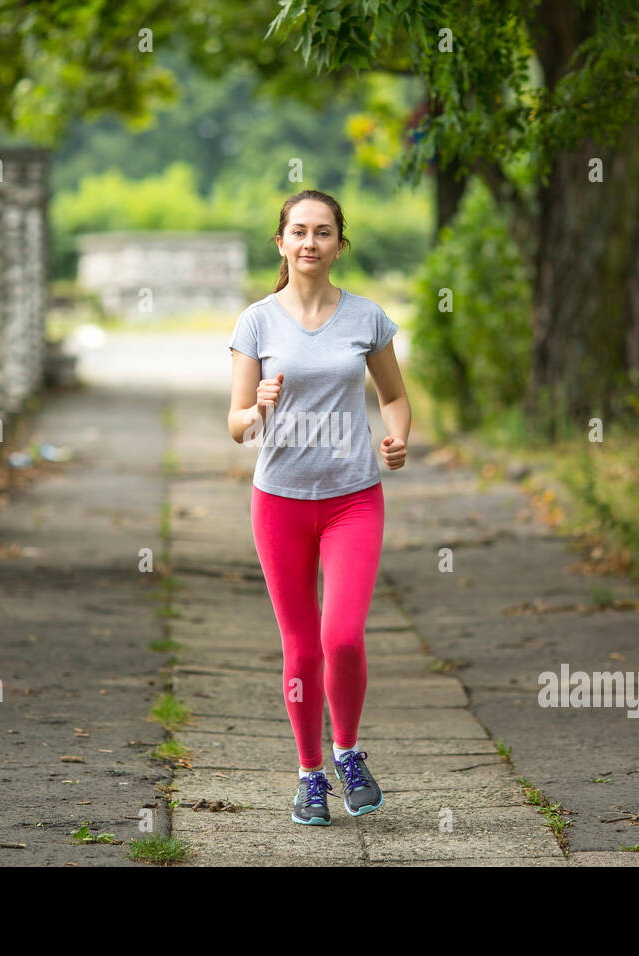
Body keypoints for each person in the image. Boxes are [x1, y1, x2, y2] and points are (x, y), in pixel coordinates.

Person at [226, 189, 411, 825]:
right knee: (303, 649)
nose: (310, 243)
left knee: (344, 636)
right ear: (281, 243)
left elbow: (393, 396)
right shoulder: (256, 322)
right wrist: (261, 407)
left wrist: (398, 437)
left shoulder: (366, 318)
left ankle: (349, 753)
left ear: (339, 244)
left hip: (353, 499)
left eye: (323, 232)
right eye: (299, 232)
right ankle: (310, 775)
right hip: (279, 502)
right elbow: (236, 425)